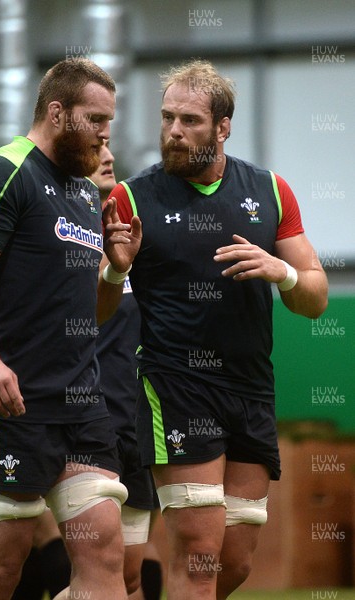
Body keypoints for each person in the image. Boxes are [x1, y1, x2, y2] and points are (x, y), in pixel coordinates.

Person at [101, 59, 328, 599]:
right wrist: (116, 268)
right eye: (167, 118)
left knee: (234, 564)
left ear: (223, 126)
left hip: (251, 389)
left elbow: (315, 299)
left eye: (190, 121)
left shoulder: (271, 191)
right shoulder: (130, 199)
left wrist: (284, 271)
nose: (174, 131)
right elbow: (96, 312)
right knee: (199, 557)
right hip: (177, 386)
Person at [0, 58, 141, 600]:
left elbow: (94, 313)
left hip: (80, 406)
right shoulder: (4, 171)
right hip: (9, 406)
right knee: (1, 573)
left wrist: (116, 269)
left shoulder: (83, 192)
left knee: (104, 554)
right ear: (57, 112)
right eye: (95, 119)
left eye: (110, 121)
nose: (106, 134)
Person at [53, 141, 162, 600]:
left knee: (128, 578)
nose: (109, 155)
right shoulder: (54, 240)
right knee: (98, 571)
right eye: (94, 146)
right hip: (78, 421)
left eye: (109, 145)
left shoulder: (139, 239)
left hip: (135, 424)